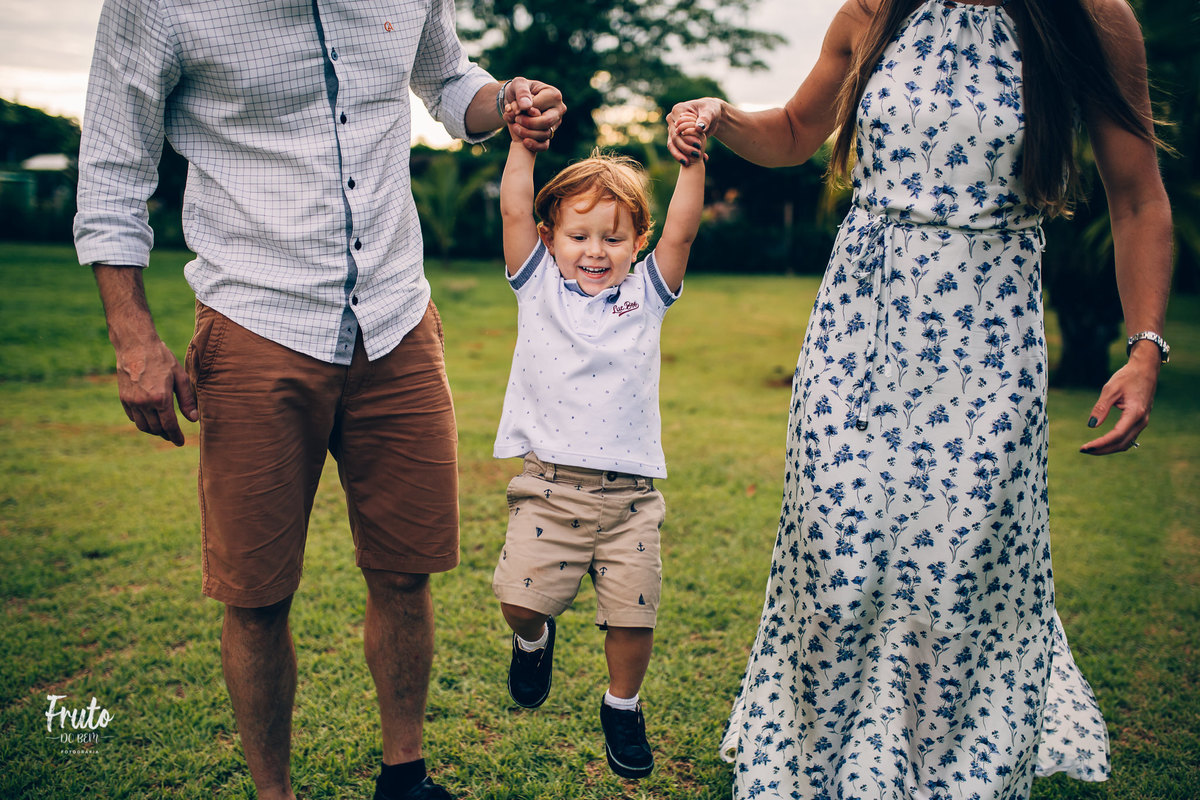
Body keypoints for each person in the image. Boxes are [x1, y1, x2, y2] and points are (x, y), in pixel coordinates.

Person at [667, 0, 1171, 797]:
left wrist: (1145, 348)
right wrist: (722, 116)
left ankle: (951, 776)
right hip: (856, 332)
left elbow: (1137, 198)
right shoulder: (873, 9)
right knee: (837, 562)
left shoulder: (1090, 18)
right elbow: (795, 131)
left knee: (955, 580)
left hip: (987, 344)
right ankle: (824, 767)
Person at [72, 1, 565, 798]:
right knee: (257, 595)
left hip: (397, 318)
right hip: (255, 322)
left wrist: (505, 99)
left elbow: (448, 80)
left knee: (406, 572)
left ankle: (405, 779)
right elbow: (112, 169)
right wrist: (133, 338)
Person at [489, 114, 705, 779]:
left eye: (613, 238)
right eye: (579, 236)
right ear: (549, 239)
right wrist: (522, 146)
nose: (595, 251)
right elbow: (514, 206)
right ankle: (534, 641)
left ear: (637, 242)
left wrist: (693, 163)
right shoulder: (536, 287)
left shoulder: (646, 294)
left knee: (632, 617)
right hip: (549, 488)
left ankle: (622, 705)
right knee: (518, 602)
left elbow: (682, 231)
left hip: (630, 499)